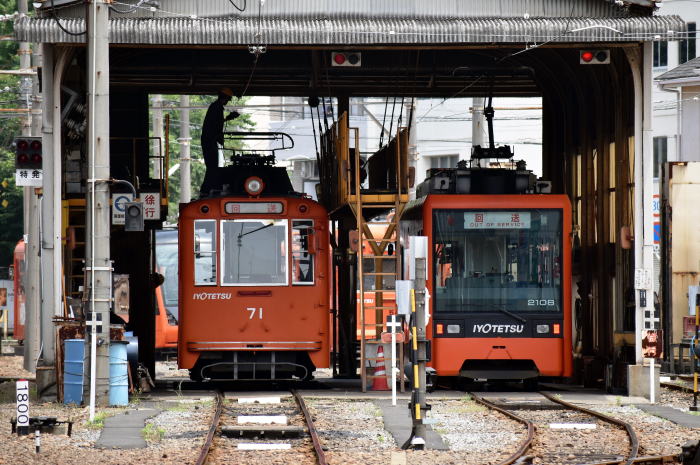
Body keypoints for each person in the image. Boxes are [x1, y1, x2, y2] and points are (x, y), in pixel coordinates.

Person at [200, 87, 240, 196]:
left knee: (212, 166)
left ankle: (209, 188)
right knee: (212, 167)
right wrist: (229, 117)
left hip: (209, 140)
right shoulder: (216, 107)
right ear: (226, 98)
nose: (228, 101)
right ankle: (207, 189)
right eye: (228, 99)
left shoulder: (216, 107)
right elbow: (215, 125)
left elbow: (216, 122)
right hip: (210, 141)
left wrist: (228, 118)